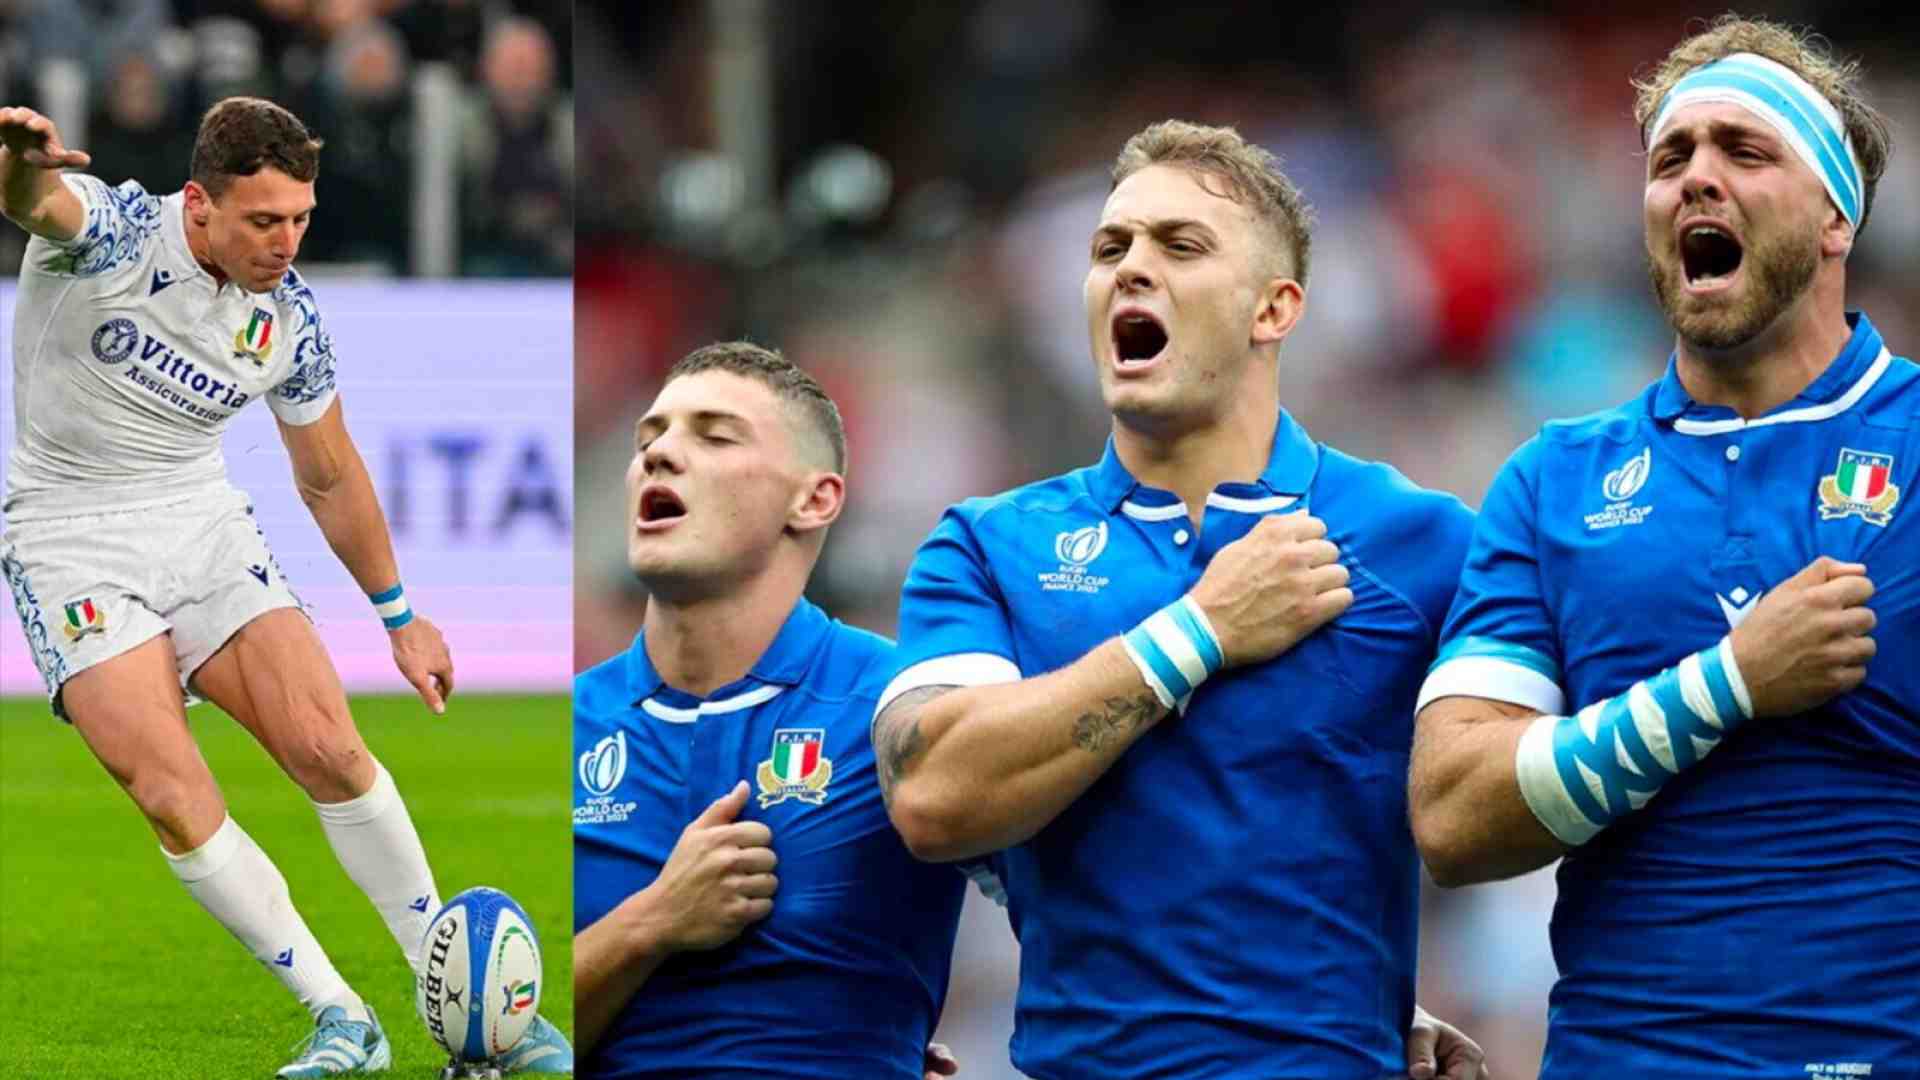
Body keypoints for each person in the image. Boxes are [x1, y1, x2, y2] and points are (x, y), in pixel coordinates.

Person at [873, 120, 1489, 1080]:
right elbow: (932, 797)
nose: (1130, 268)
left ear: (1273, 309)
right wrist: (1198, 631)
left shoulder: (1422, 542)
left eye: (1181, 246)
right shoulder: (990, 544)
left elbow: (1496, 803)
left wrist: (1384, 995)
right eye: (1109, 248)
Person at [0, 98, 571, 1076]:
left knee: (331, 747)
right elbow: (37, 204)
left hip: (200, 521)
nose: (286, 242)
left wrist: (400, 617)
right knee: (170, 792)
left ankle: (459, 996)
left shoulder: (289, 318)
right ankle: (342, 1018)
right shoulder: (119, 232)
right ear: (199, 202)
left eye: (301, 218)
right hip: (69, 537)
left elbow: (329, 474)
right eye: (264, 220)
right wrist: (14, 163)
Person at [1408, 15, 1916, 1076]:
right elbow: (1452, 815)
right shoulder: (1556, 482)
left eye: (1745, 150)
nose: (1696, 179)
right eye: (1670, 158)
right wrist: (1725, 686)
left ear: (1835, 216)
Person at [572, 342, 967, 1080]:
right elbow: (508, 1028)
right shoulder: (568, 726)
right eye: (648, 437)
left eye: (715, 437)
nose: (659, 454)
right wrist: (654, 920)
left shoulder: (897, 704)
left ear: (813, 500)